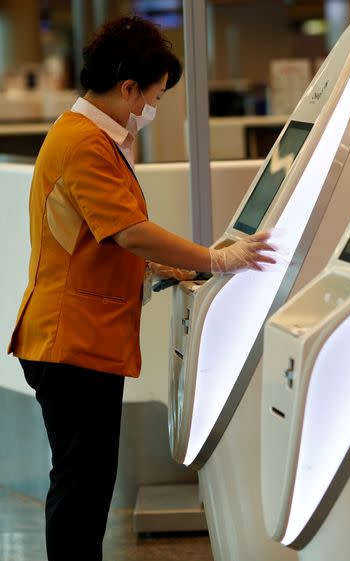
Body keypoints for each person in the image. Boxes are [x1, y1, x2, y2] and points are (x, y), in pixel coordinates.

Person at [6, 16, 274, 561]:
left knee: (85, 483)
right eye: (153, 96)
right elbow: (128, 230)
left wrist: (156, 270)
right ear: (128, 87)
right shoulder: (84, 142)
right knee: (82, 488)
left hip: (76, 341)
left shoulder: (85, 138)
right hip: (71, 345)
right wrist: (215, 258)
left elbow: (86, 238)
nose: (150, 109)